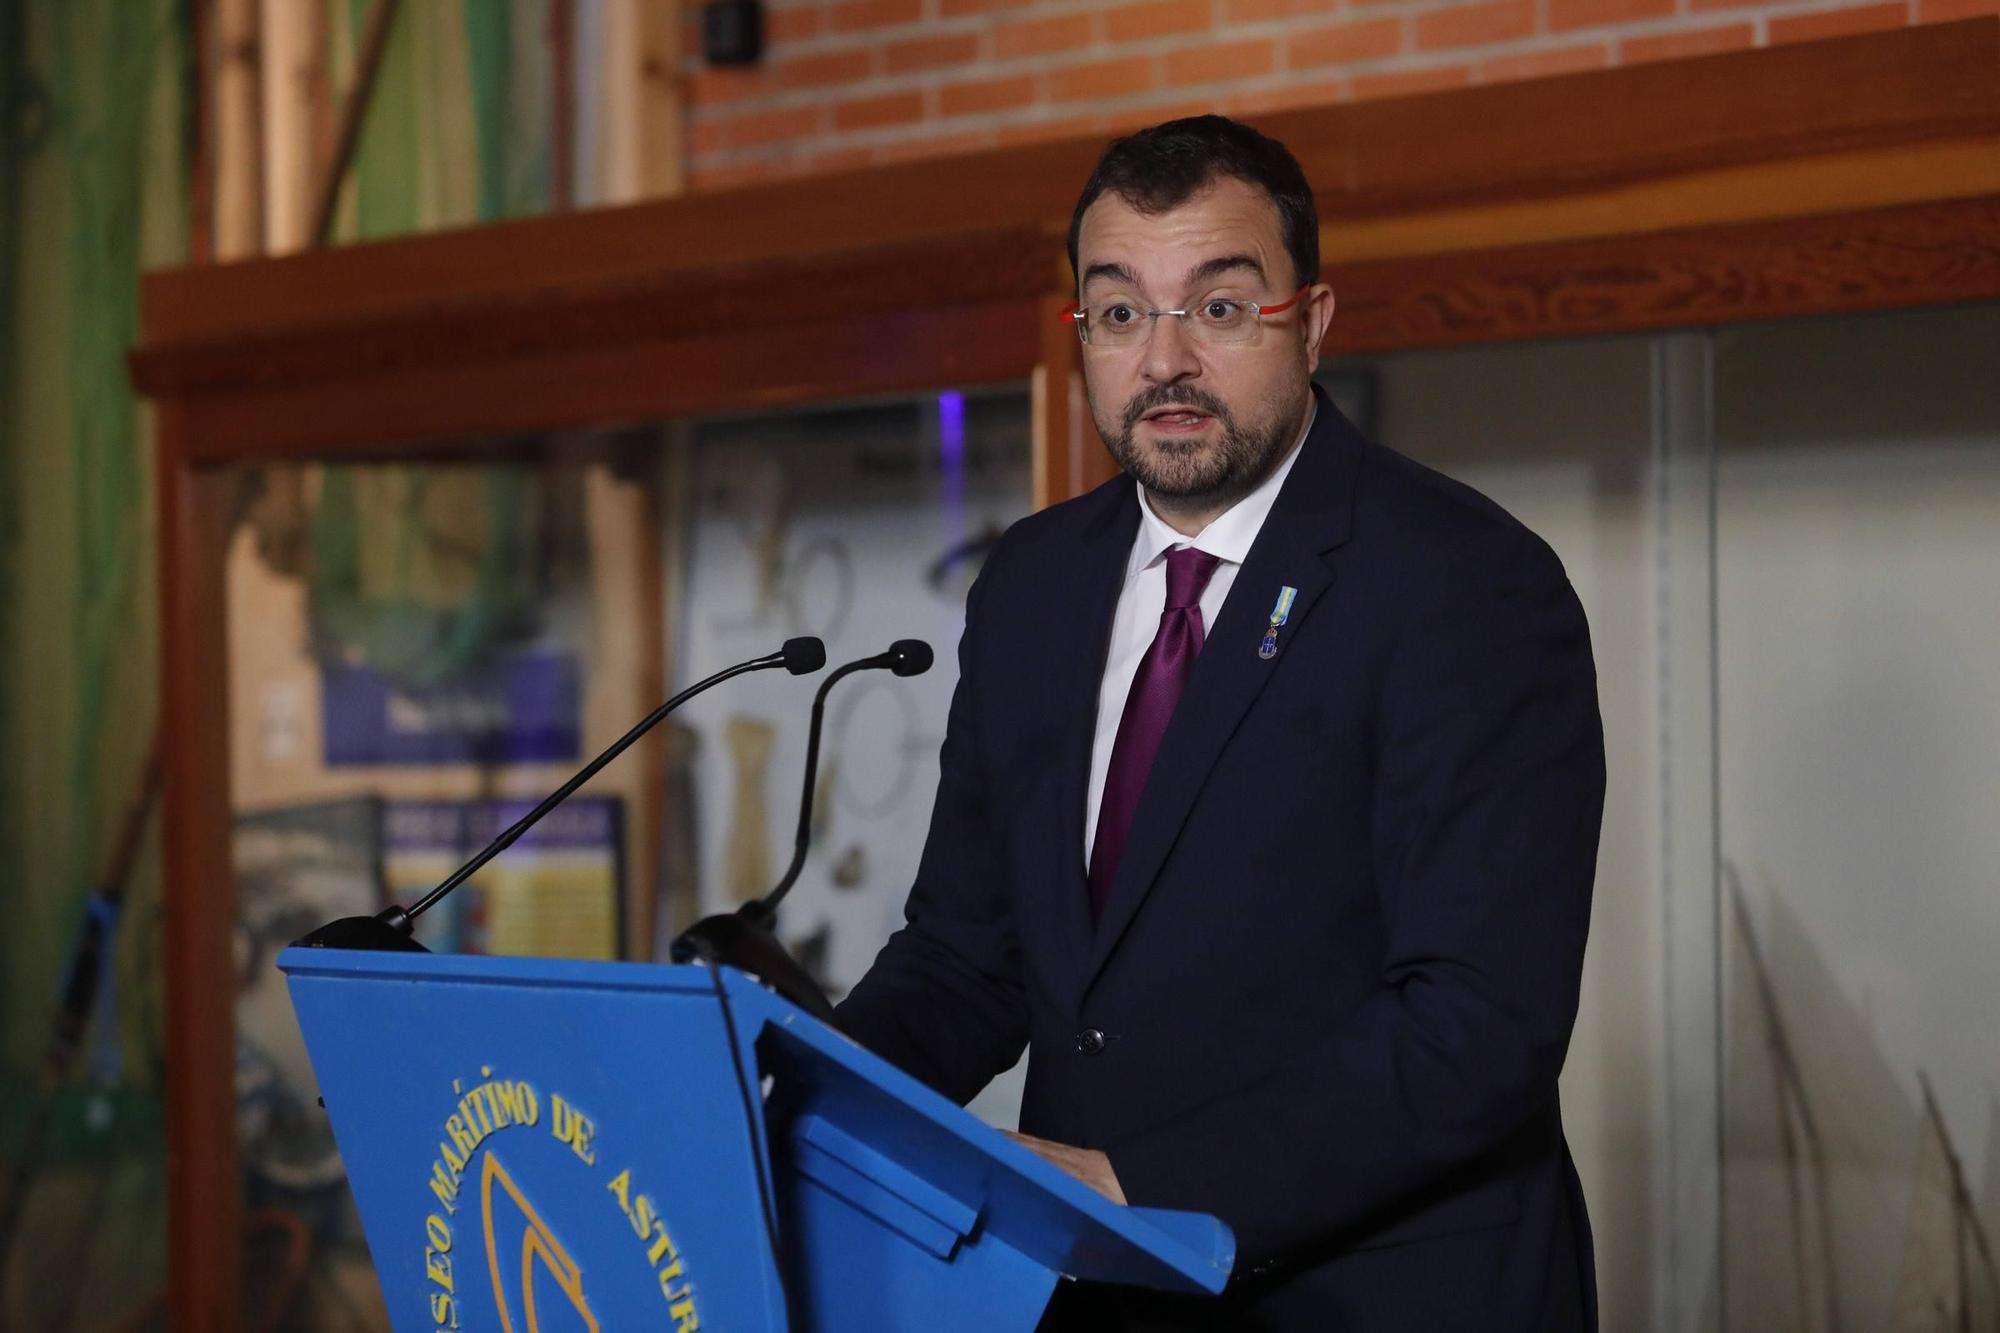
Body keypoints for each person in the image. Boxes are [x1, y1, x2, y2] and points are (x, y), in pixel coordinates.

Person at [835, 114, 1605, 1331]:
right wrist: (786, 1099)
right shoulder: (1032, 583)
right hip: (1090, 1291)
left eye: (1220, 307)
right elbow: (967, 958)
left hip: (1377, 1294)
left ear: (1311, 320)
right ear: (1081, 333)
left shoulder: (1466, 583)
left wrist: (1142, 1188)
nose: (1166, 360)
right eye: (1122, 312)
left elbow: (1479, 1022)